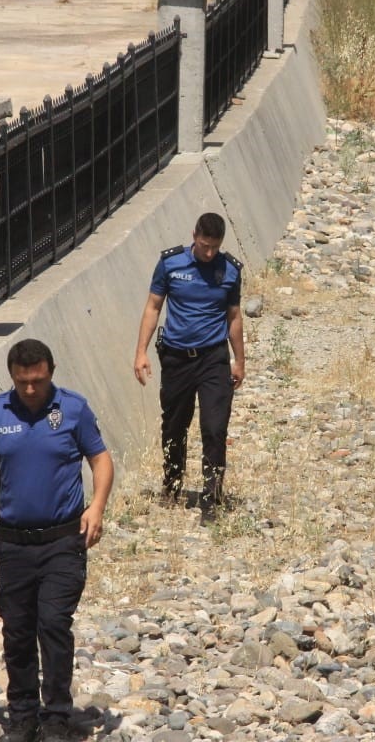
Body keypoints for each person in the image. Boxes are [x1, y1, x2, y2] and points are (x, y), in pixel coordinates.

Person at [0, 338, 113, 742]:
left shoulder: (73, 409)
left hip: (63, 540)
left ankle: (56, 715)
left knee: (54, 624)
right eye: (23, 382)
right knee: (18, 630)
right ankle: (22, 714)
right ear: (13, 378)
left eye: (37, 381)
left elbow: (100, 458)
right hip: (14, 544)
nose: (31, 390)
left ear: (50, 372)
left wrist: (97, 506)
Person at [133, 212, 244, 521]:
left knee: (215, 427)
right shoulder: (171, 264)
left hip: (213, 359)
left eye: (214, 247)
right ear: (194, 235)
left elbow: (234, 317)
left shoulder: (230, 271)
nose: (209, 253)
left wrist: (240, 361)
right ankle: (173, 483)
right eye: (204, 245)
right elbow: (153, 307)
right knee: (174, 425)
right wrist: (140, 352)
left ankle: (212, 497)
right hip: (177, 358)